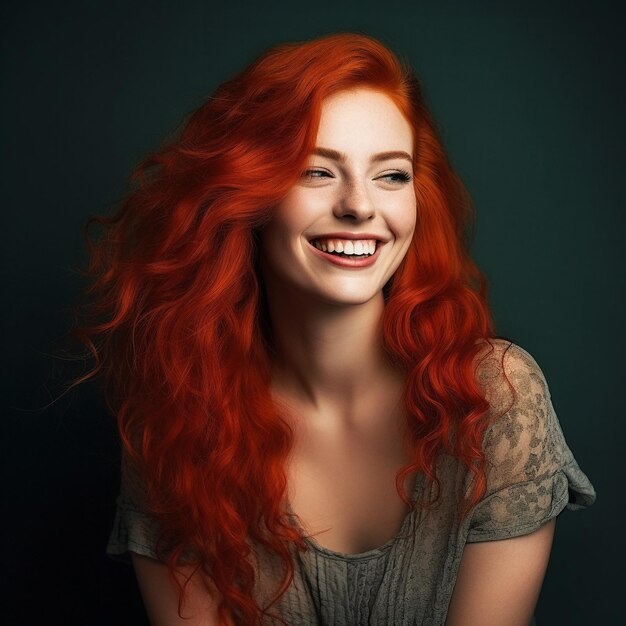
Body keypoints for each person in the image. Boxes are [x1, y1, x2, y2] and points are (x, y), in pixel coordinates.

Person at [72, 32, 596, 625]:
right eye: (317, 171)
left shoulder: (496, 399)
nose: (359, 206)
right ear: (250, 196)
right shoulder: (177, 416)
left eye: (391, 176)